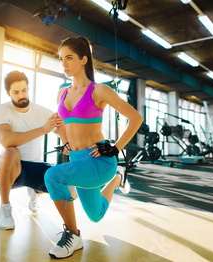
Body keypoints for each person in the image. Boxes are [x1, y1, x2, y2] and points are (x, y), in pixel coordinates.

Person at [43, 36, 143, 259]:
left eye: (69, 58)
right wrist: (65, 141)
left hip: (99, 161)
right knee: (96, 215)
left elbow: (135, 118)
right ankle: (118, 179)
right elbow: (61, 123)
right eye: (61, 59)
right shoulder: (62, 93)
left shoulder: (98, 91)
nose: (64, 64)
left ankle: (73, 235)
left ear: (84, 59)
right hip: (77, 161)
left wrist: (116, 148)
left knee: (52, 176)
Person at [0, 70, 65, 230]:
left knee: (71, 191)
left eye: (24, 90)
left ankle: (35, 192)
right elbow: (6, 140)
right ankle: (4, 208)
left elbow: (64, 131)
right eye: (16, 92)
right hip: (14, 167)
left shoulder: (42, 112)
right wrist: (43, 129)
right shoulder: (1, 110)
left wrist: (70, 144)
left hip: (36, 167)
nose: (21, 95)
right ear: (8, 93)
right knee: (10, 151)